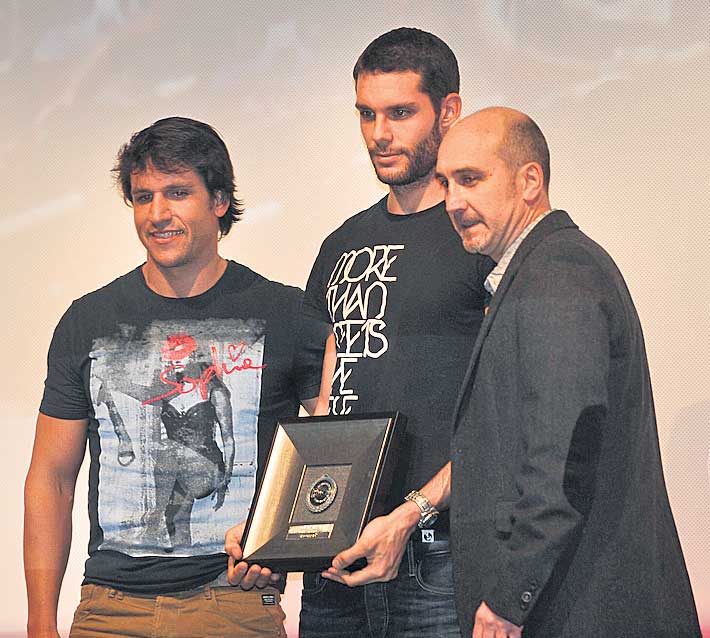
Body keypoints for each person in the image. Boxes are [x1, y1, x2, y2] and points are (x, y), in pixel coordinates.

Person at [23, 116, 325, 638]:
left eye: (178, 193)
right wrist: (39, 622)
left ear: (220, 201)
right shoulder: (88, 320)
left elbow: (334, 451)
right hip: (107, 609)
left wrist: (278, 539)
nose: (158, 214)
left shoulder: (288, 314)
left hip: (234, 603)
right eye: (143, 197)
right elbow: (51, 477)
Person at [435, 106, 701, 638]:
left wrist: (511, 597)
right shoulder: (550, 269)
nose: (454, 202)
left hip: (579, 610)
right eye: (445, 183)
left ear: (529, 180)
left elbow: (563, 456)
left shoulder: (556, 277)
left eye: (471, 179)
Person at [286, 27, 492, 638]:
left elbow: (504, 410)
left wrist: (413, 512)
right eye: (367, 114)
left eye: (401, 113)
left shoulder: (478, 237)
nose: (380, 134)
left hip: (440, 551)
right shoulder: (341, 243)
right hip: (339, 554)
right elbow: (321, 407)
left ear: (448, 112)